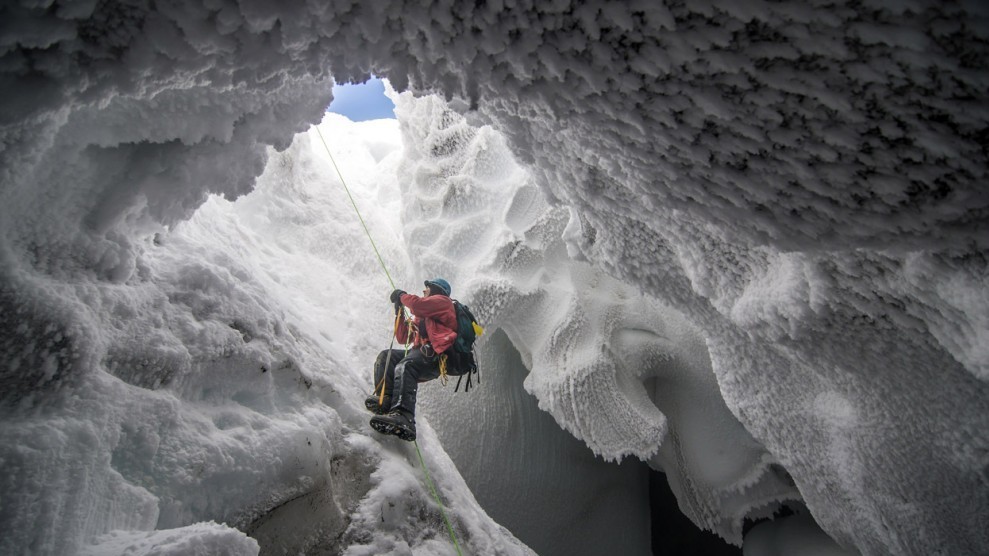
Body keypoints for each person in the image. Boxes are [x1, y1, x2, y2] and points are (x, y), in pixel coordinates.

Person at [366, 278, 467, 441]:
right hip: (423, 353)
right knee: (387, 357)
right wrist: (399, 311)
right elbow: (403, 337)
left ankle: (404, 417)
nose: (424, 291)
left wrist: (402, 296)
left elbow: (417, 304)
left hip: (435, 355)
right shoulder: (425, 317)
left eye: (427, 288)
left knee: (406, 365)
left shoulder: (443, 302)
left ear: (436, 290)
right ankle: (387, 400)